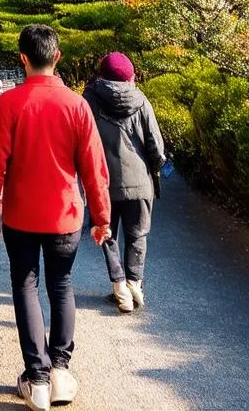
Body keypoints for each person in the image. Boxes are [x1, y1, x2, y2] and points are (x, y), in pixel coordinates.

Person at [0, 24, 110, 411]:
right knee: (62, 285)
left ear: (23, 58)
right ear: (57, 57)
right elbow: (94, 168)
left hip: (21, 215)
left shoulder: (9, 104)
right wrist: (101, 216)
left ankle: (36, 377)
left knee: (25, 286)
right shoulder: (76, 105)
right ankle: (61, 371)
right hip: (66, 215)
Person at [83, 52, 165, 313]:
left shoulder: (90, 99)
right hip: (139, 181)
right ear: (130, 75)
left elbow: (83, 140)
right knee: (138, 233)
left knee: (106, 232)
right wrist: (157, 167)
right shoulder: (141, 100)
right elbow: (156, 146)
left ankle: (119, 285)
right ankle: (134, 282)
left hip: (104, 182)